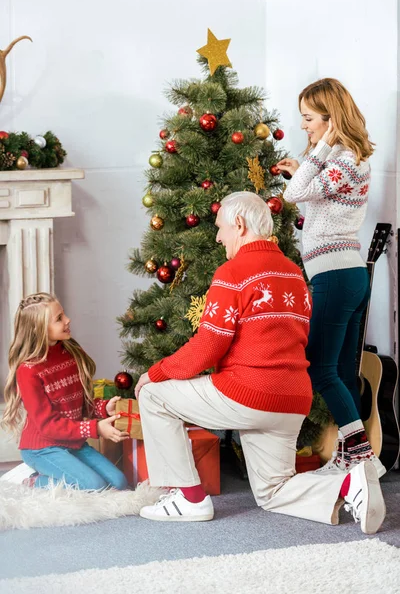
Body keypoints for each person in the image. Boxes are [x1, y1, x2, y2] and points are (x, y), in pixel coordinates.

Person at [133, 191, 385, 534]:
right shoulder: (294, 273)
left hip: (248, 395)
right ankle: (348, 486)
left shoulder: (233, 272)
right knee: (273, 492)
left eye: (221, 227)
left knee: (153, 394)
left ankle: (189, 498)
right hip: (293, 400)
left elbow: (208, 346)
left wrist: (156, 372)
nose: (219, 236)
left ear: (239, 224)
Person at [277, 78, 386, 478]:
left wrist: (316, 153)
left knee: (320, 369)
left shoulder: (344, 157)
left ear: (330, 117)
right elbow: (315, 204)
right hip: (347, 274)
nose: (304, 126)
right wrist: (303, 167)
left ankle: (361, 456)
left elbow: (295, 196)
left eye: (308, 118)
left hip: (337, 276)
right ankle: (351, 457)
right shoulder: (345, 159)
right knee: (341, 371)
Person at [1, 292, 129, 490]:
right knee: (93, 486)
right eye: (59, 318)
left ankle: (62, 472)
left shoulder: (69, 354)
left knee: (119, 483)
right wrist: (96, 428)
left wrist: (104, 408)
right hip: (42, 448)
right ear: (39, 329)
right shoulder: (28, 371)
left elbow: (77, 404)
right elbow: (48, 425)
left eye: (64, 314)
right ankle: (31, 480)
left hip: (73, 443)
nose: (68, 320)